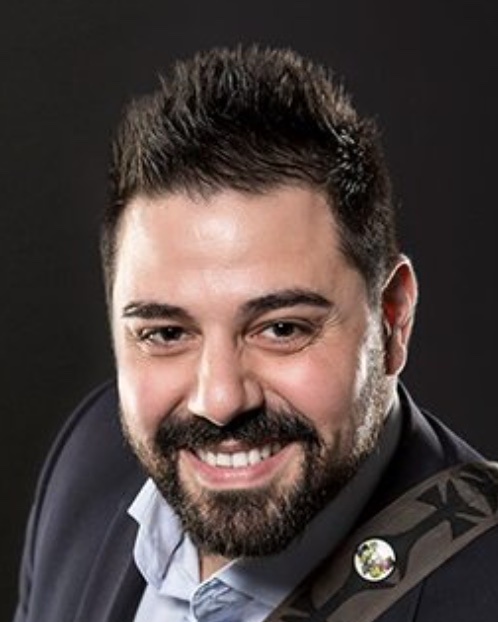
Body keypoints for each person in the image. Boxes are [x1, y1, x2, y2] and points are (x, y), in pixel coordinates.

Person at [13, 45, 498, 622]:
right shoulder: (89, 456)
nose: (220, 401)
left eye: (281, 329)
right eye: (165, 333)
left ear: (393, 320)